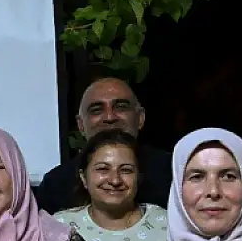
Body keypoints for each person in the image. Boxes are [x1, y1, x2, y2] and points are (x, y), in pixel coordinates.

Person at [52, 129, 170, 241]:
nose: (115, 180)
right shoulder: (59, 228)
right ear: (84, 177)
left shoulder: (165, 223)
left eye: (126, 170)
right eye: (102, 169)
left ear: (139, 178)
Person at [34, 77, 173, 212]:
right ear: (81, 125)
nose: (109, 117)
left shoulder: (173, 171)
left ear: (140, 118)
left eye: (120, 107)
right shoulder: (56, 184)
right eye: (96, 110)